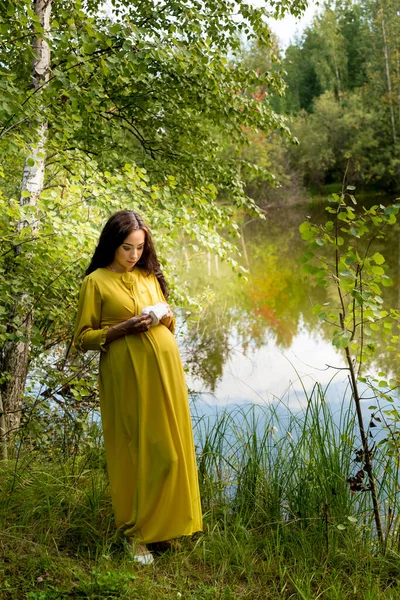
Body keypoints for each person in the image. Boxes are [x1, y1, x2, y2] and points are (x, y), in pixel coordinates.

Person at [73, 210, 202, 564]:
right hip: (126, 374)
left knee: (171, 451)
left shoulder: (148, 274)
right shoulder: (95, 282)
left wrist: (160, 315)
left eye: (140, 247)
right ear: (112, 245)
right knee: (137, 451)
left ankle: (165, 527)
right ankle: (137, 535)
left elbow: (169, 317)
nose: (133, 255)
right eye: (127, 248)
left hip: (165, 371)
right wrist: (122, 329)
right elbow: (82, 339)